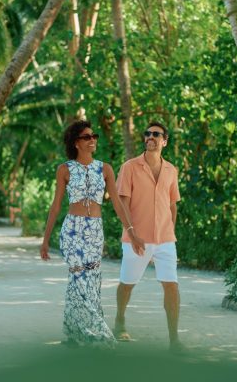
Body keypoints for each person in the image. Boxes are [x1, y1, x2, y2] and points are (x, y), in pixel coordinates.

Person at [40, 120, 140, 347]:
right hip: (73, 230)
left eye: (94, 136)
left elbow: (117, 203)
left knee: (91, 281)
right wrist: (45, 240)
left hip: (95, 230)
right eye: (87, 137)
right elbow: (56, 206)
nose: (92, 139)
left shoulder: (105, 169)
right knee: (79, 278)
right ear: (76, 142)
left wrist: (131, 232)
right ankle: (99, 334)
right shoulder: (64, 169)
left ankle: (74, 333)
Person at [114, 122, 183, 352]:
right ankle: (120, 319)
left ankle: (174, 340)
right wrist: (131, 234)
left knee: (171, 286)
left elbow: (172, 204)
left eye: (156, 134)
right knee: (127, 284)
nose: (150, 137)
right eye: (147, 134)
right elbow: (122, 202)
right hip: (136, 238)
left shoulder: (171, 171)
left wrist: (169, 232)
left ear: (165, 141)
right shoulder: (130, 167)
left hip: (165, 240)